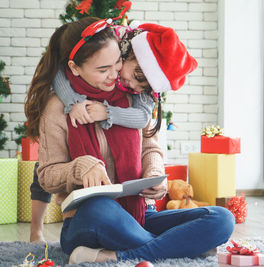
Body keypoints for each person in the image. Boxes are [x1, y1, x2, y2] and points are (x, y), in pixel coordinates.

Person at [25, 14, 235, 264]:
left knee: (222, 218)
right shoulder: (59, 107)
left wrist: (155, 176)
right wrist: (81, 167)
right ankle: (178, 247)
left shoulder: (134, 99)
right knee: (101, 208)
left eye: (116, 64)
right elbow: (47, 176)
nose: (113, 75)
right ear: (75, 68)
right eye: (103, 69)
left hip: (139, 215)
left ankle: (116, 255)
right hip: (88, 220)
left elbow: (151, 148)